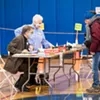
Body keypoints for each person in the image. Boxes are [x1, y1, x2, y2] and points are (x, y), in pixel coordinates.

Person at [14, 14, 53, 85]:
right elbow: (16, 31)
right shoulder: (27, 27)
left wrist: (50, 45)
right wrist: (24, 43)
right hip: (29, 53)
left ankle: (32, 81)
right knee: (29, 67)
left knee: (35, 66)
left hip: (36, 52)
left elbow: (44, 40)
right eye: (40, 23)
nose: (41, 24)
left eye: (41, 23)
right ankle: (23, 83)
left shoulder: (40, 31)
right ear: (35, 22)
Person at [4, 26, 34, 92]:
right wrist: (21, 52)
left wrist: (29, 47)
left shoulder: (25, 39)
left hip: (20, 61)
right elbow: (9, 47)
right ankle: (20, 85)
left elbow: (24, 47)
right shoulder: (18, 38)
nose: (32, 34)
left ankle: (19, 84)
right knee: (29, 69)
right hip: (14, 62)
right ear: (26, 32)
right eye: (31, 32)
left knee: (31, 67)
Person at [84, 10, 100, 93]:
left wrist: (92, 50)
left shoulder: (95, 24)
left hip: (97, 50)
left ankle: (96, 85)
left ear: (89, 18)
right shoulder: (97, 22)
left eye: (86, 19)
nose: (85, 22)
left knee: (94, 68)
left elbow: (96, 38)